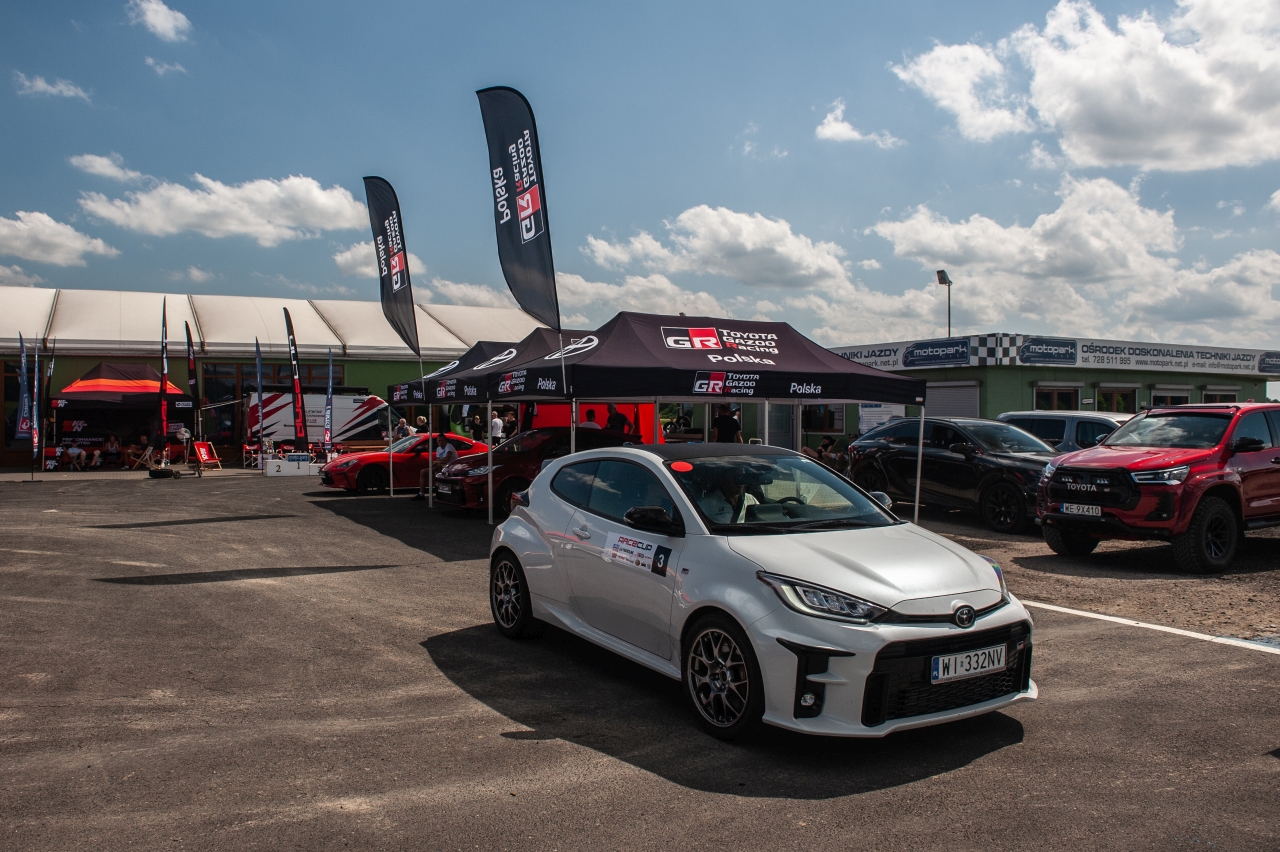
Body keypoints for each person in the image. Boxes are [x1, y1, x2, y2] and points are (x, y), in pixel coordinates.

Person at [412, 434, 460, 500]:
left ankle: (440, 493)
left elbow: (447, 459)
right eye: (439, 441)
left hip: (450, 468)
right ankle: (421, 494)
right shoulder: (438, 448)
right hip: (441, 466)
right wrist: (435, 464)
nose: (440, 442)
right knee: (423, 472)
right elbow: (438, 460)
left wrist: (437, 462)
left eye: (442, 441)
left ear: (445, 441)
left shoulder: (449, 446)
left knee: (437, 472)